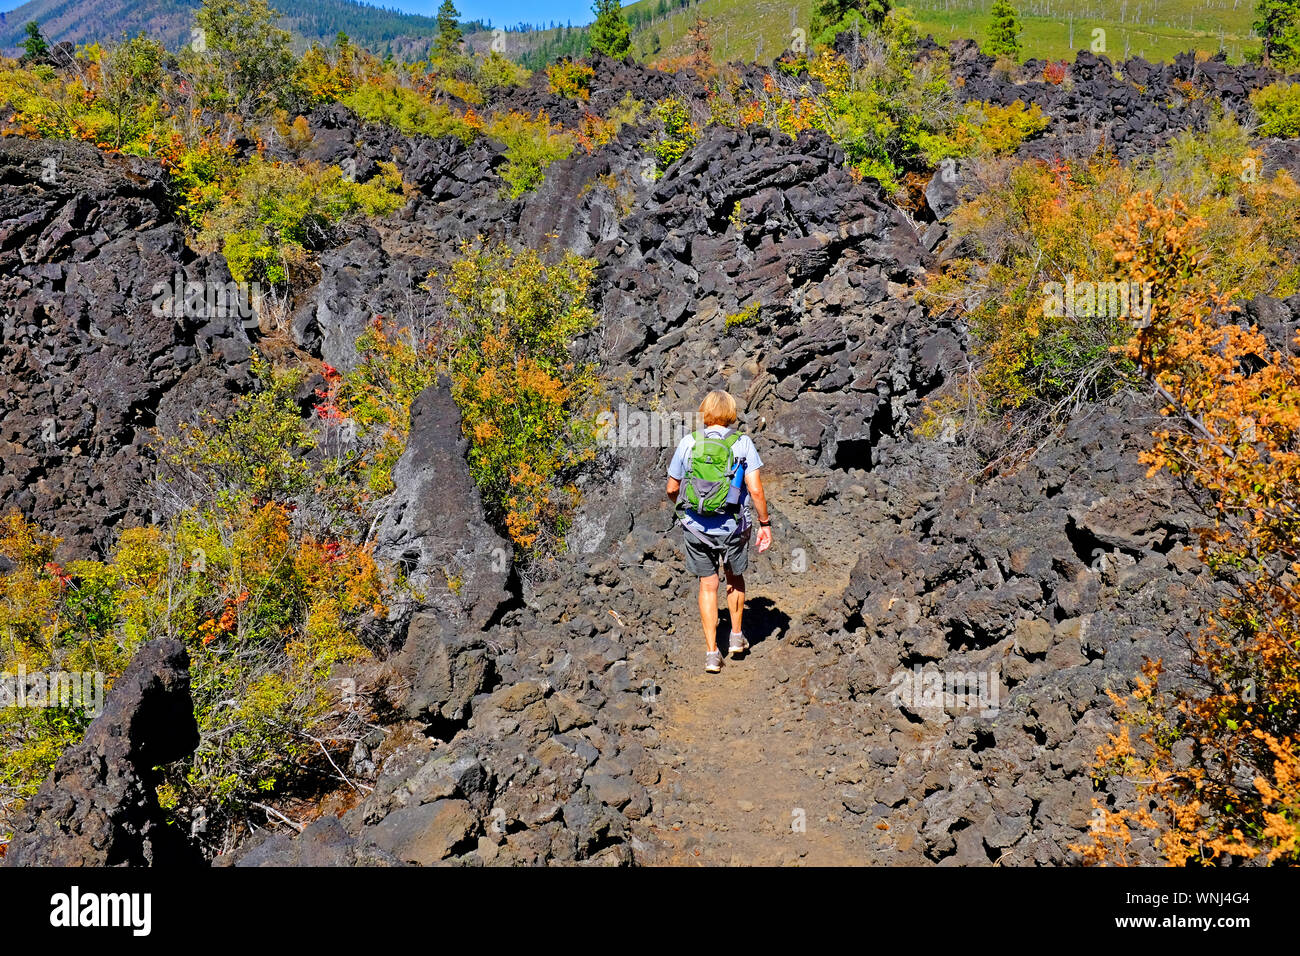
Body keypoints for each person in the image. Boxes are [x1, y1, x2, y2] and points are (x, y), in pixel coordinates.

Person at [666, 390, 772, 673]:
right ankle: (736, 637)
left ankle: (712, 653)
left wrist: (688, 511)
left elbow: (672, 488)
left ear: (704, 411)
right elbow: (756, 490)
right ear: (730, 413)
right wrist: (765, 524)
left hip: (696, 528)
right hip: (733, 525)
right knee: (734, 578)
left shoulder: (689, 442)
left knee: (707, 584)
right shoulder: (743, 443)